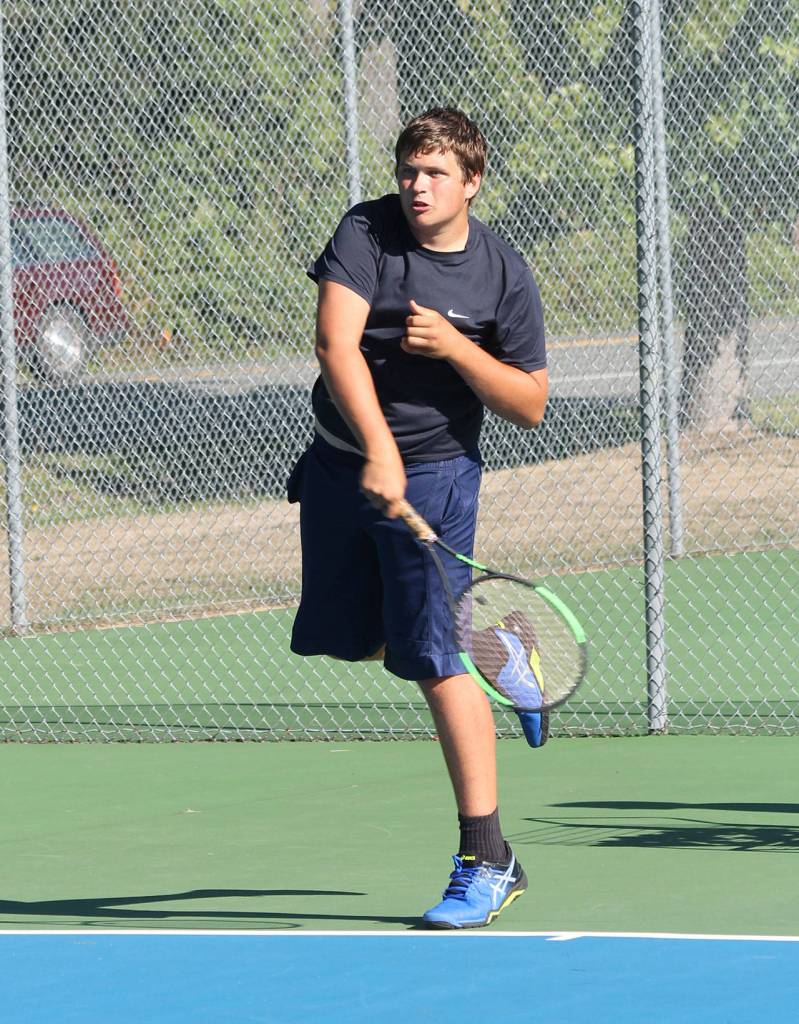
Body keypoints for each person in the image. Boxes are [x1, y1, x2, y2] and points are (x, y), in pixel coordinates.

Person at [288, 107, 548, 929]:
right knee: (356, 641)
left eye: (435, 174)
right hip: (342, 467)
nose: (417, 186)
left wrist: (459, 351)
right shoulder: (366, 232)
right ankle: (502, 646)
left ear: (471, 183)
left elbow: (530, 405)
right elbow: (335, 344)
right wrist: (375, 449)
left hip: (435, 481)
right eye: (408, 170)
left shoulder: (502, 275)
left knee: (434, 663)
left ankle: (488, 857)